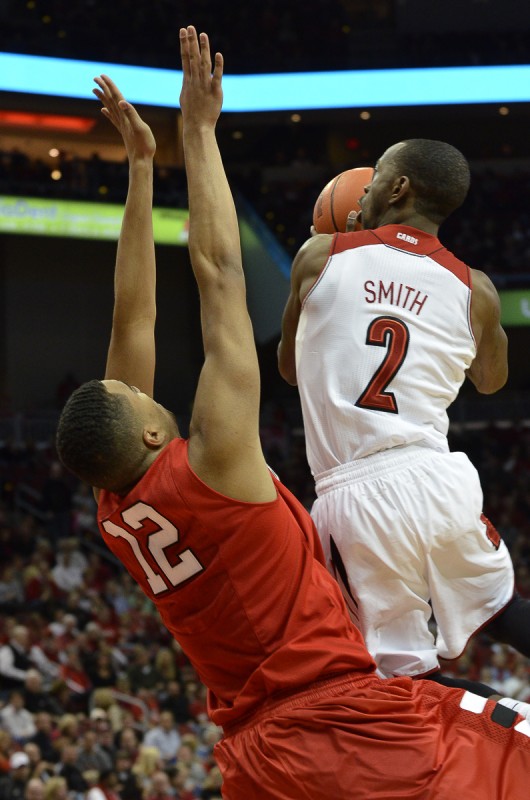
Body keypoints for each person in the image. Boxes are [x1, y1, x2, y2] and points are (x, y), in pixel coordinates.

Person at [55, 26, 530, 799]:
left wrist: (142, 167)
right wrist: (197, 135)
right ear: (148, 428)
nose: (147, 384)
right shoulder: (215, 466)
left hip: (252, 755)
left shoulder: (117, 505)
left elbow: (130, 321)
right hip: (346, 722)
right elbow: (215, 275)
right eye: (143, 394)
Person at [277, 137, 530, 684]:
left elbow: (289, 368)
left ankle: (508, 725)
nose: (363, 191)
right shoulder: (475, 289)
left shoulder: (320, 257)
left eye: (373, 181)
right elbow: (492, 381)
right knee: (505, 611)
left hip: (360, 493)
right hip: (439, 479)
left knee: (403, 679)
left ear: (398, 187)